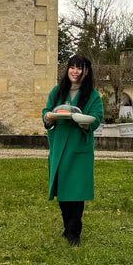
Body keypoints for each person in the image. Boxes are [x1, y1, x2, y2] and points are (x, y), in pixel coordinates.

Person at [42, 55, 103, 245]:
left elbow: (96, 117)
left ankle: (74, 232)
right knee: (62, 189)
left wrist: (84, 123)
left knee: (76, 191)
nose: (75, 71)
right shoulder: (57, 91)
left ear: (86, 71)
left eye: (80, 68)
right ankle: (67, 226)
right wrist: (48, 118)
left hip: (78, 148)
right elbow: (46, 112)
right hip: (59, 145)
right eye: (72, 67)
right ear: (67, 69)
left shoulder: (92, 95)